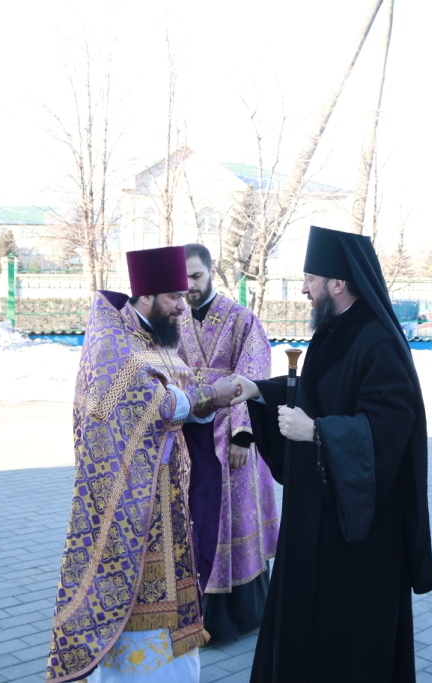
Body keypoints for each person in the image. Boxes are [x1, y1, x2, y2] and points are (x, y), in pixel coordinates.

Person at [230, 225, 432, 682]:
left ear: (338, 283)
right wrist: (259, 391)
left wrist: (317, 432)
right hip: (317, 510)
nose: (304, 289)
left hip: (359, 528)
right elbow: (319, 391)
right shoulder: (337, 328)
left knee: (345, 634)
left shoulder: (378, 339)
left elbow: (391, 423)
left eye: (310, 278)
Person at [45, 245, 241, 683]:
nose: (183, 306)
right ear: (147, 295)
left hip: (167, 500)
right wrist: (209, 395)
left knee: (174, 602)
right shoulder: (113, 342)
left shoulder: (156, 339)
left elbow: (180, 396)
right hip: (129, 505)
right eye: (174, 297)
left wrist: (209, 397)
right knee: (136, 604)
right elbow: (148, 404)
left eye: (184, 296)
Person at [176, 243, 279, 643]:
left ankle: (234, 617)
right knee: (195, 516)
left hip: (230, 434)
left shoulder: (241, 319)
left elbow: (254, 374)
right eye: (183, 278)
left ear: (212, 272)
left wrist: (243, 435)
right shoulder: (176, 319)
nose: (189, 285)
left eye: (196, 276)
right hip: (190, 431)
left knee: (231, 516)